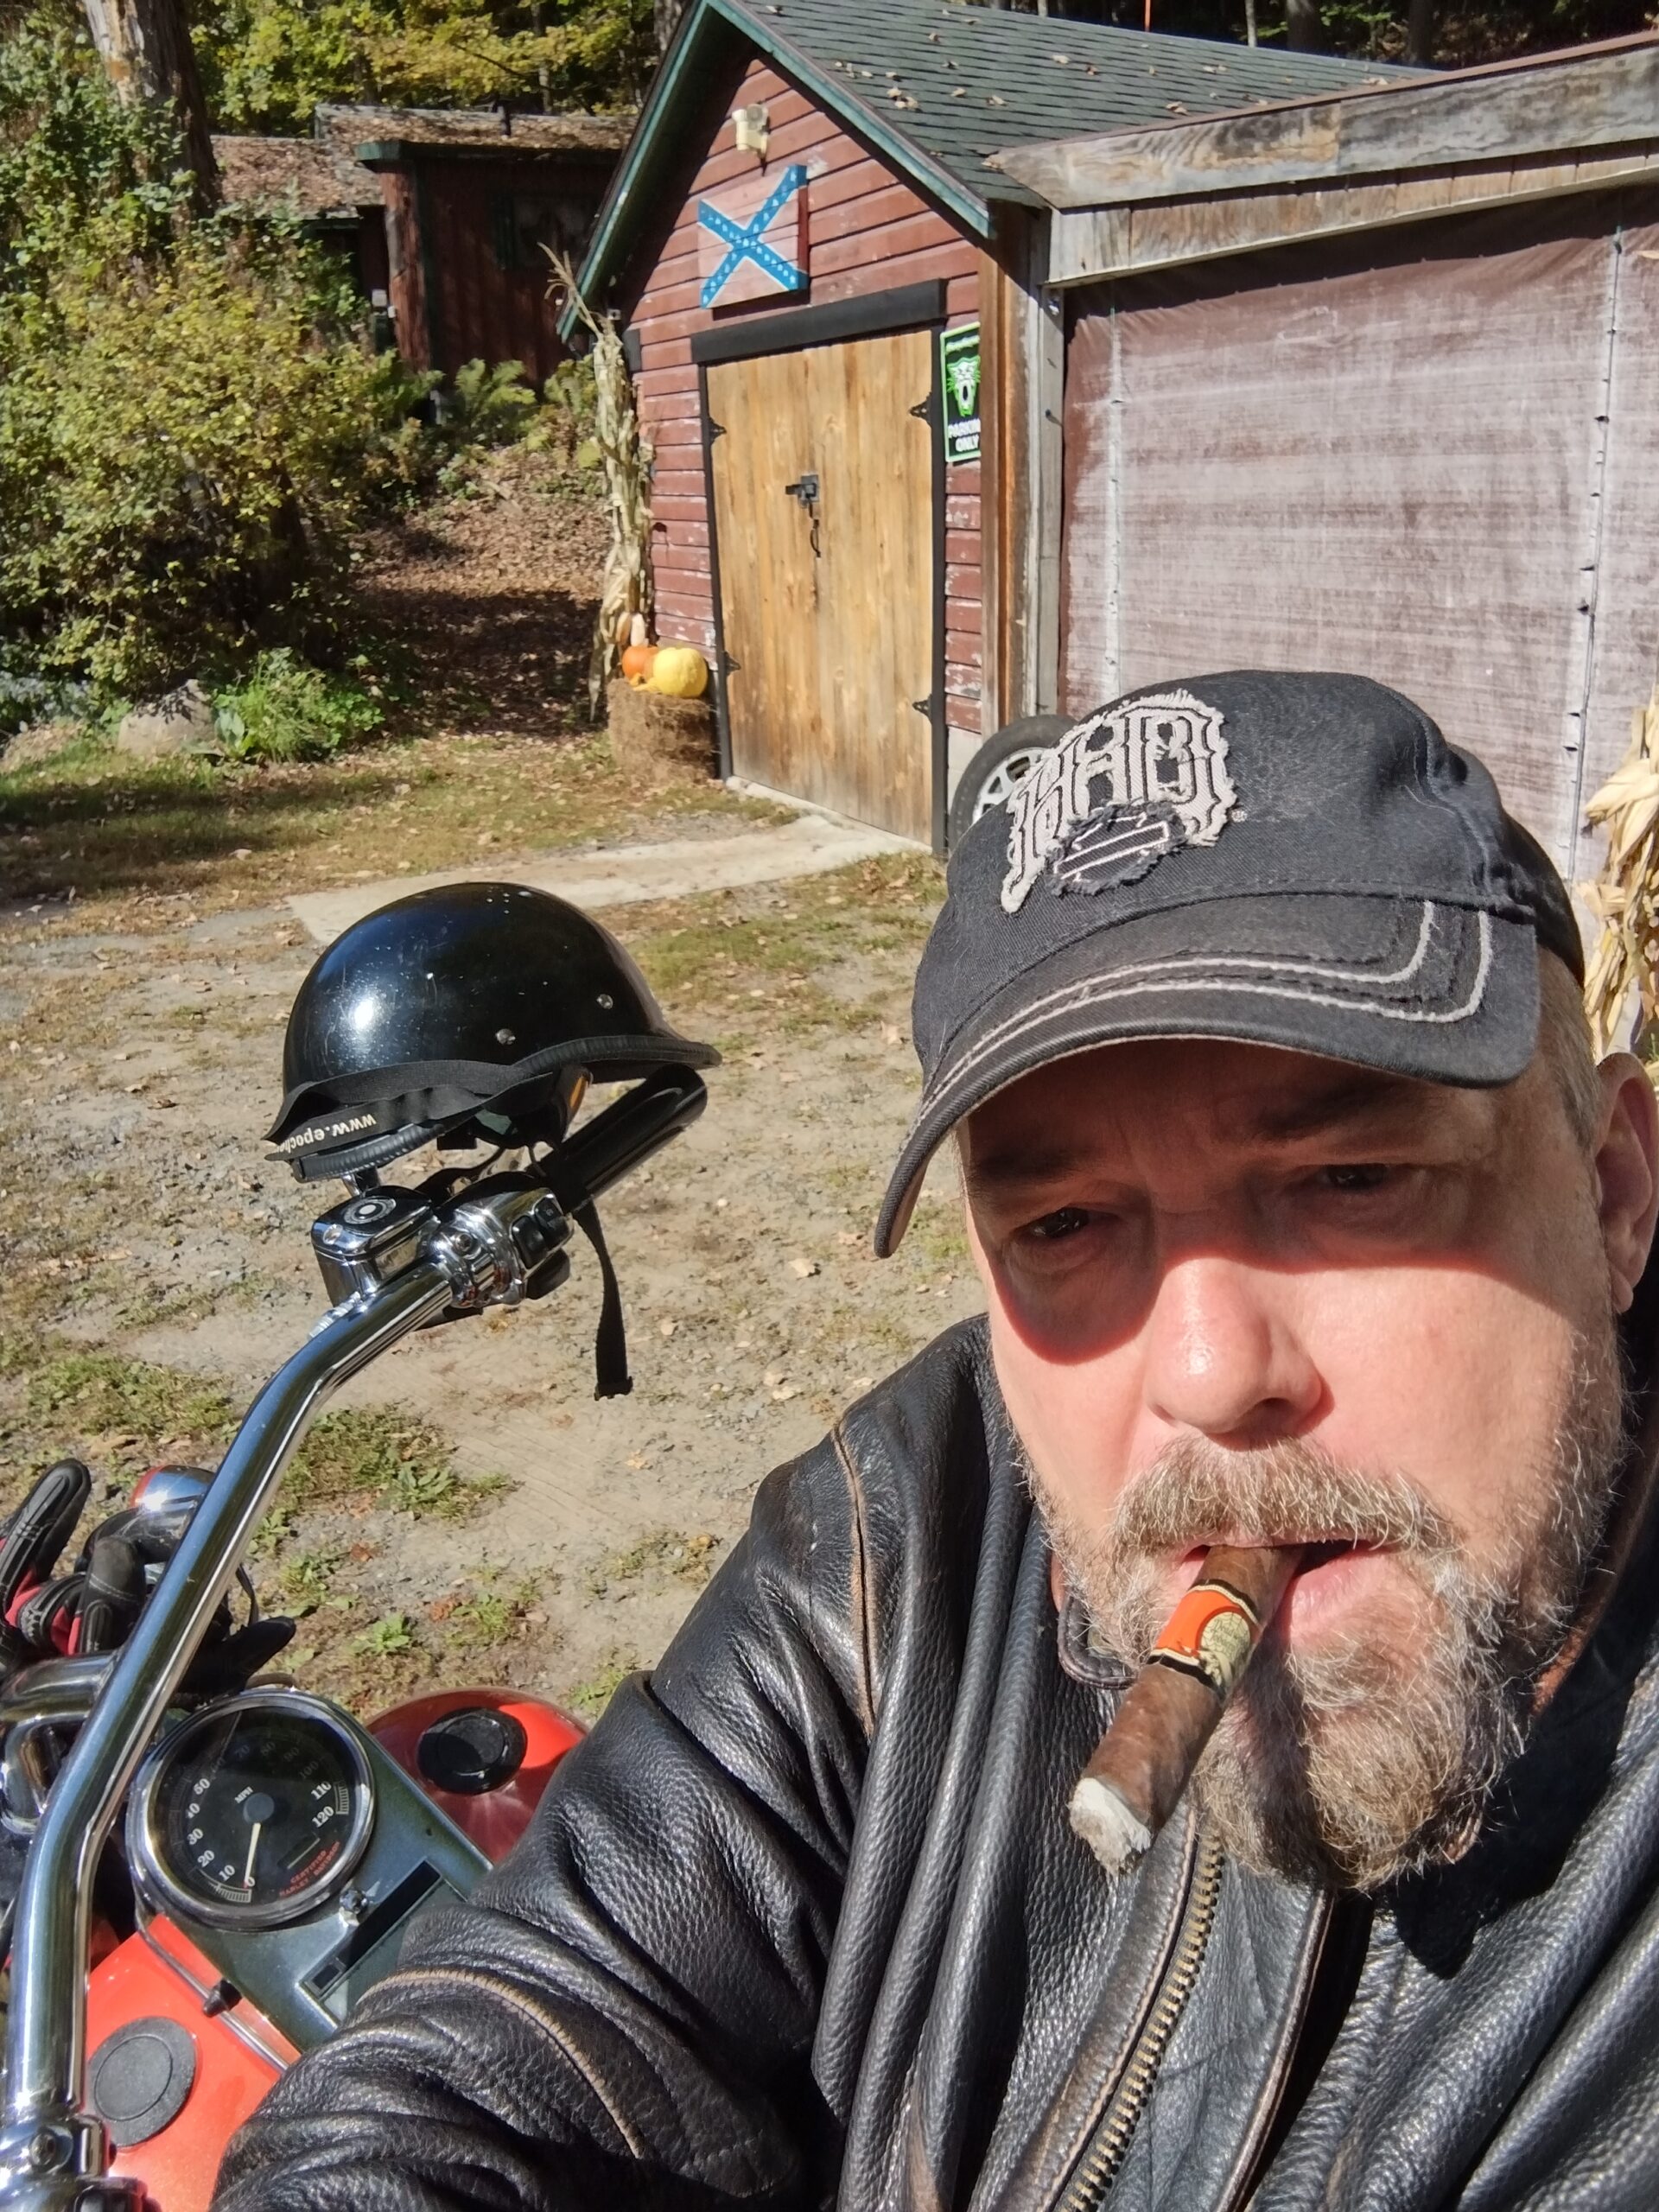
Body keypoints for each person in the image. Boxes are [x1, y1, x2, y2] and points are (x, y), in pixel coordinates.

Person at [213, 671, 1659, 2212]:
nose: (1207, 1373)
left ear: (1615, 1193)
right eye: (1066, 1224)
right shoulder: (922, 1516)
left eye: (1354, 1178)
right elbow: (498, 2044)